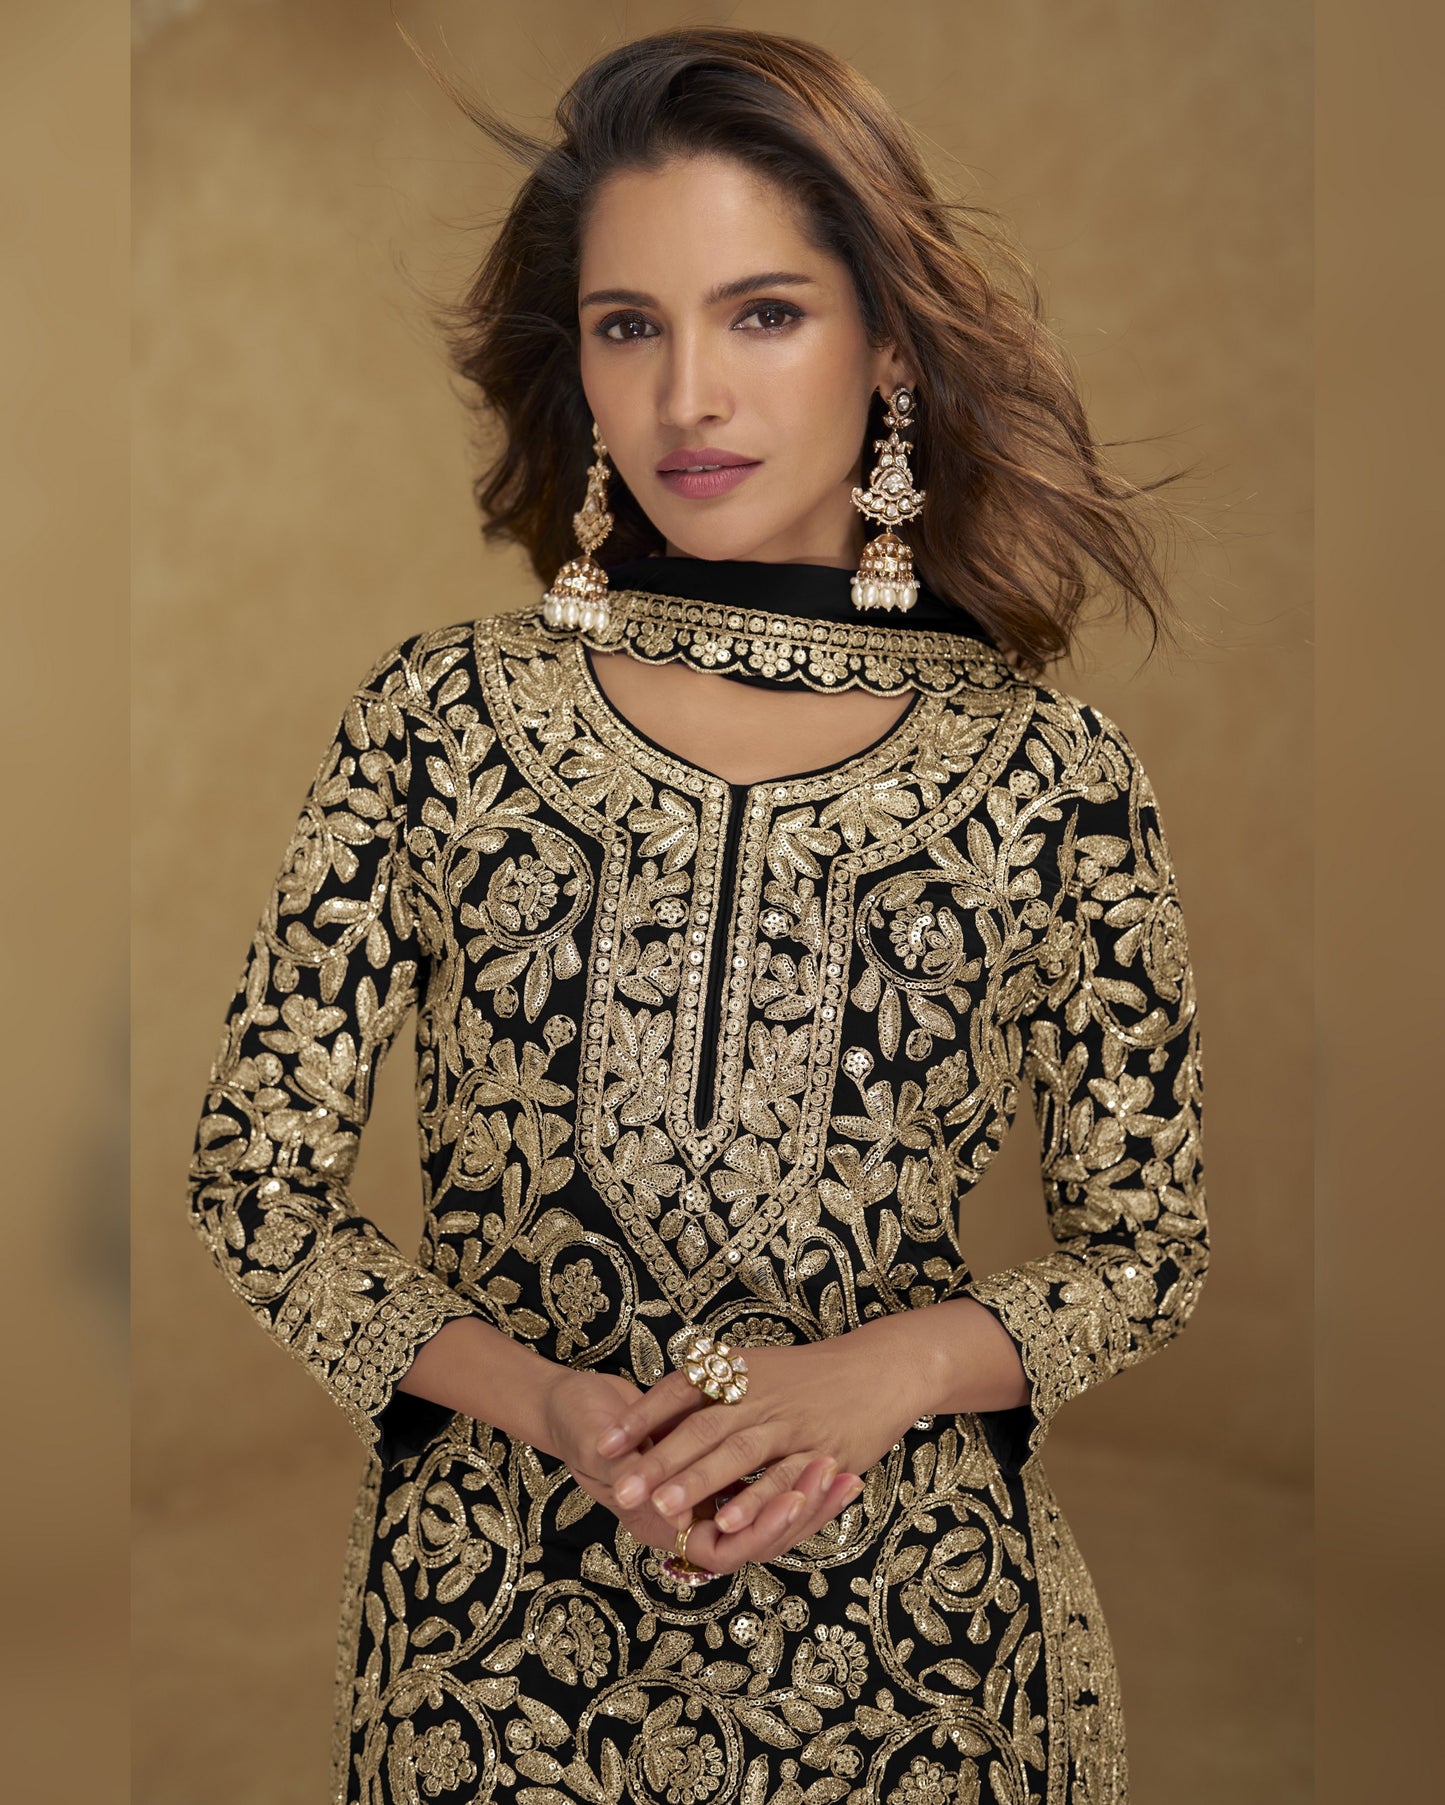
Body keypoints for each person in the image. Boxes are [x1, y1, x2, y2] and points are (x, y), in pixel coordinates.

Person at [186, 27, 1209, 1805]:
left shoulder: (1051, 774)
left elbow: (1149, 1246)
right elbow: (252, 1195)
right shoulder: (442, 717)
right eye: (626, 326)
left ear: (886, 345)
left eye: (761, 314)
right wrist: (547, 1404)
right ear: (575, 364)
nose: (686, 400)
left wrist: (878, 1376)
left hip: (917, 1665)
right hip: (495, 1654)